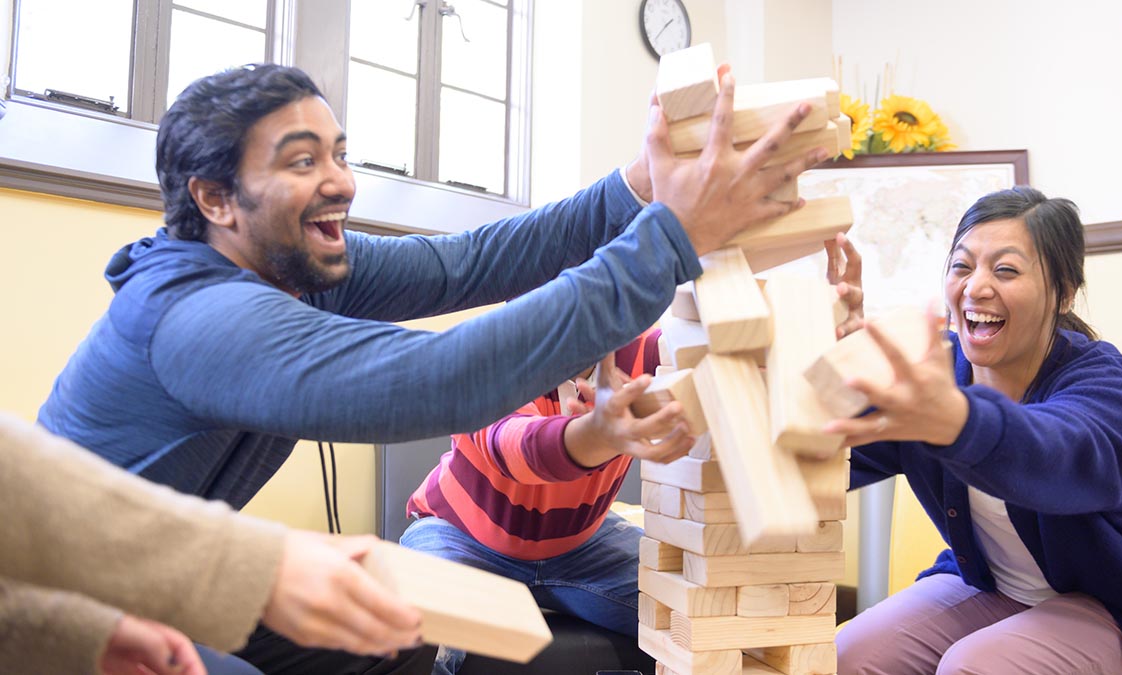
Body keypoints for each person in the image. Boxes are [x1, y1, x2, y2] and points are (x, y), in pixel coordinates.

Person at [36, 63, 827, 674]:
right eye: (302, 160)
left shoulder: (294, 265)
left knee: (385, 628)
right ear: (215, 198)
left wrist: (638, 192)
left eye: (339, 154)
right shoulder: (198, 318)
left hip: (174, 564)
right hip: (61, 600)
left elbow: (466, 263)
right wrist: (670, 237)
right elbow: (448, 377)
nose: (340, 181)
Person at [402, 234, 863, 674]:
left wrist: (820, 332)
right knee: (423, 631)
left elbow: (736, 364)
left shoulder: (641, 353)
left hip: (579, 545)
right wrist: (593, 433)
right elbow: (515, 447)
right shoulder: (487, 356)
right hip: (460, 536)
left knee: (707, 616)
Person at [828, 187, 1122, 674]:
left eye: (1005, 270)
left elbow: (1059, 453)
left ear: (1063, 293)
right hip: (996, 587)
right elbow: (838, 455)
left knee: (975, 667)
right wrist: (840, 359)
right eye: (962, 267)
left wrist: (957, 420)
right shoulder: (934, 368)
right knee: (847, 656)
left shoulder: (1108, 380)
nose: (976, 287)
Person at [0, 412, 425, 674]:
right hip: (115, 583)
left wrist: (79, 632)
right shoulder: (198, 312)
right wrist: (268, 562)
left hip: (88, 599)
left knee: (394, 642)